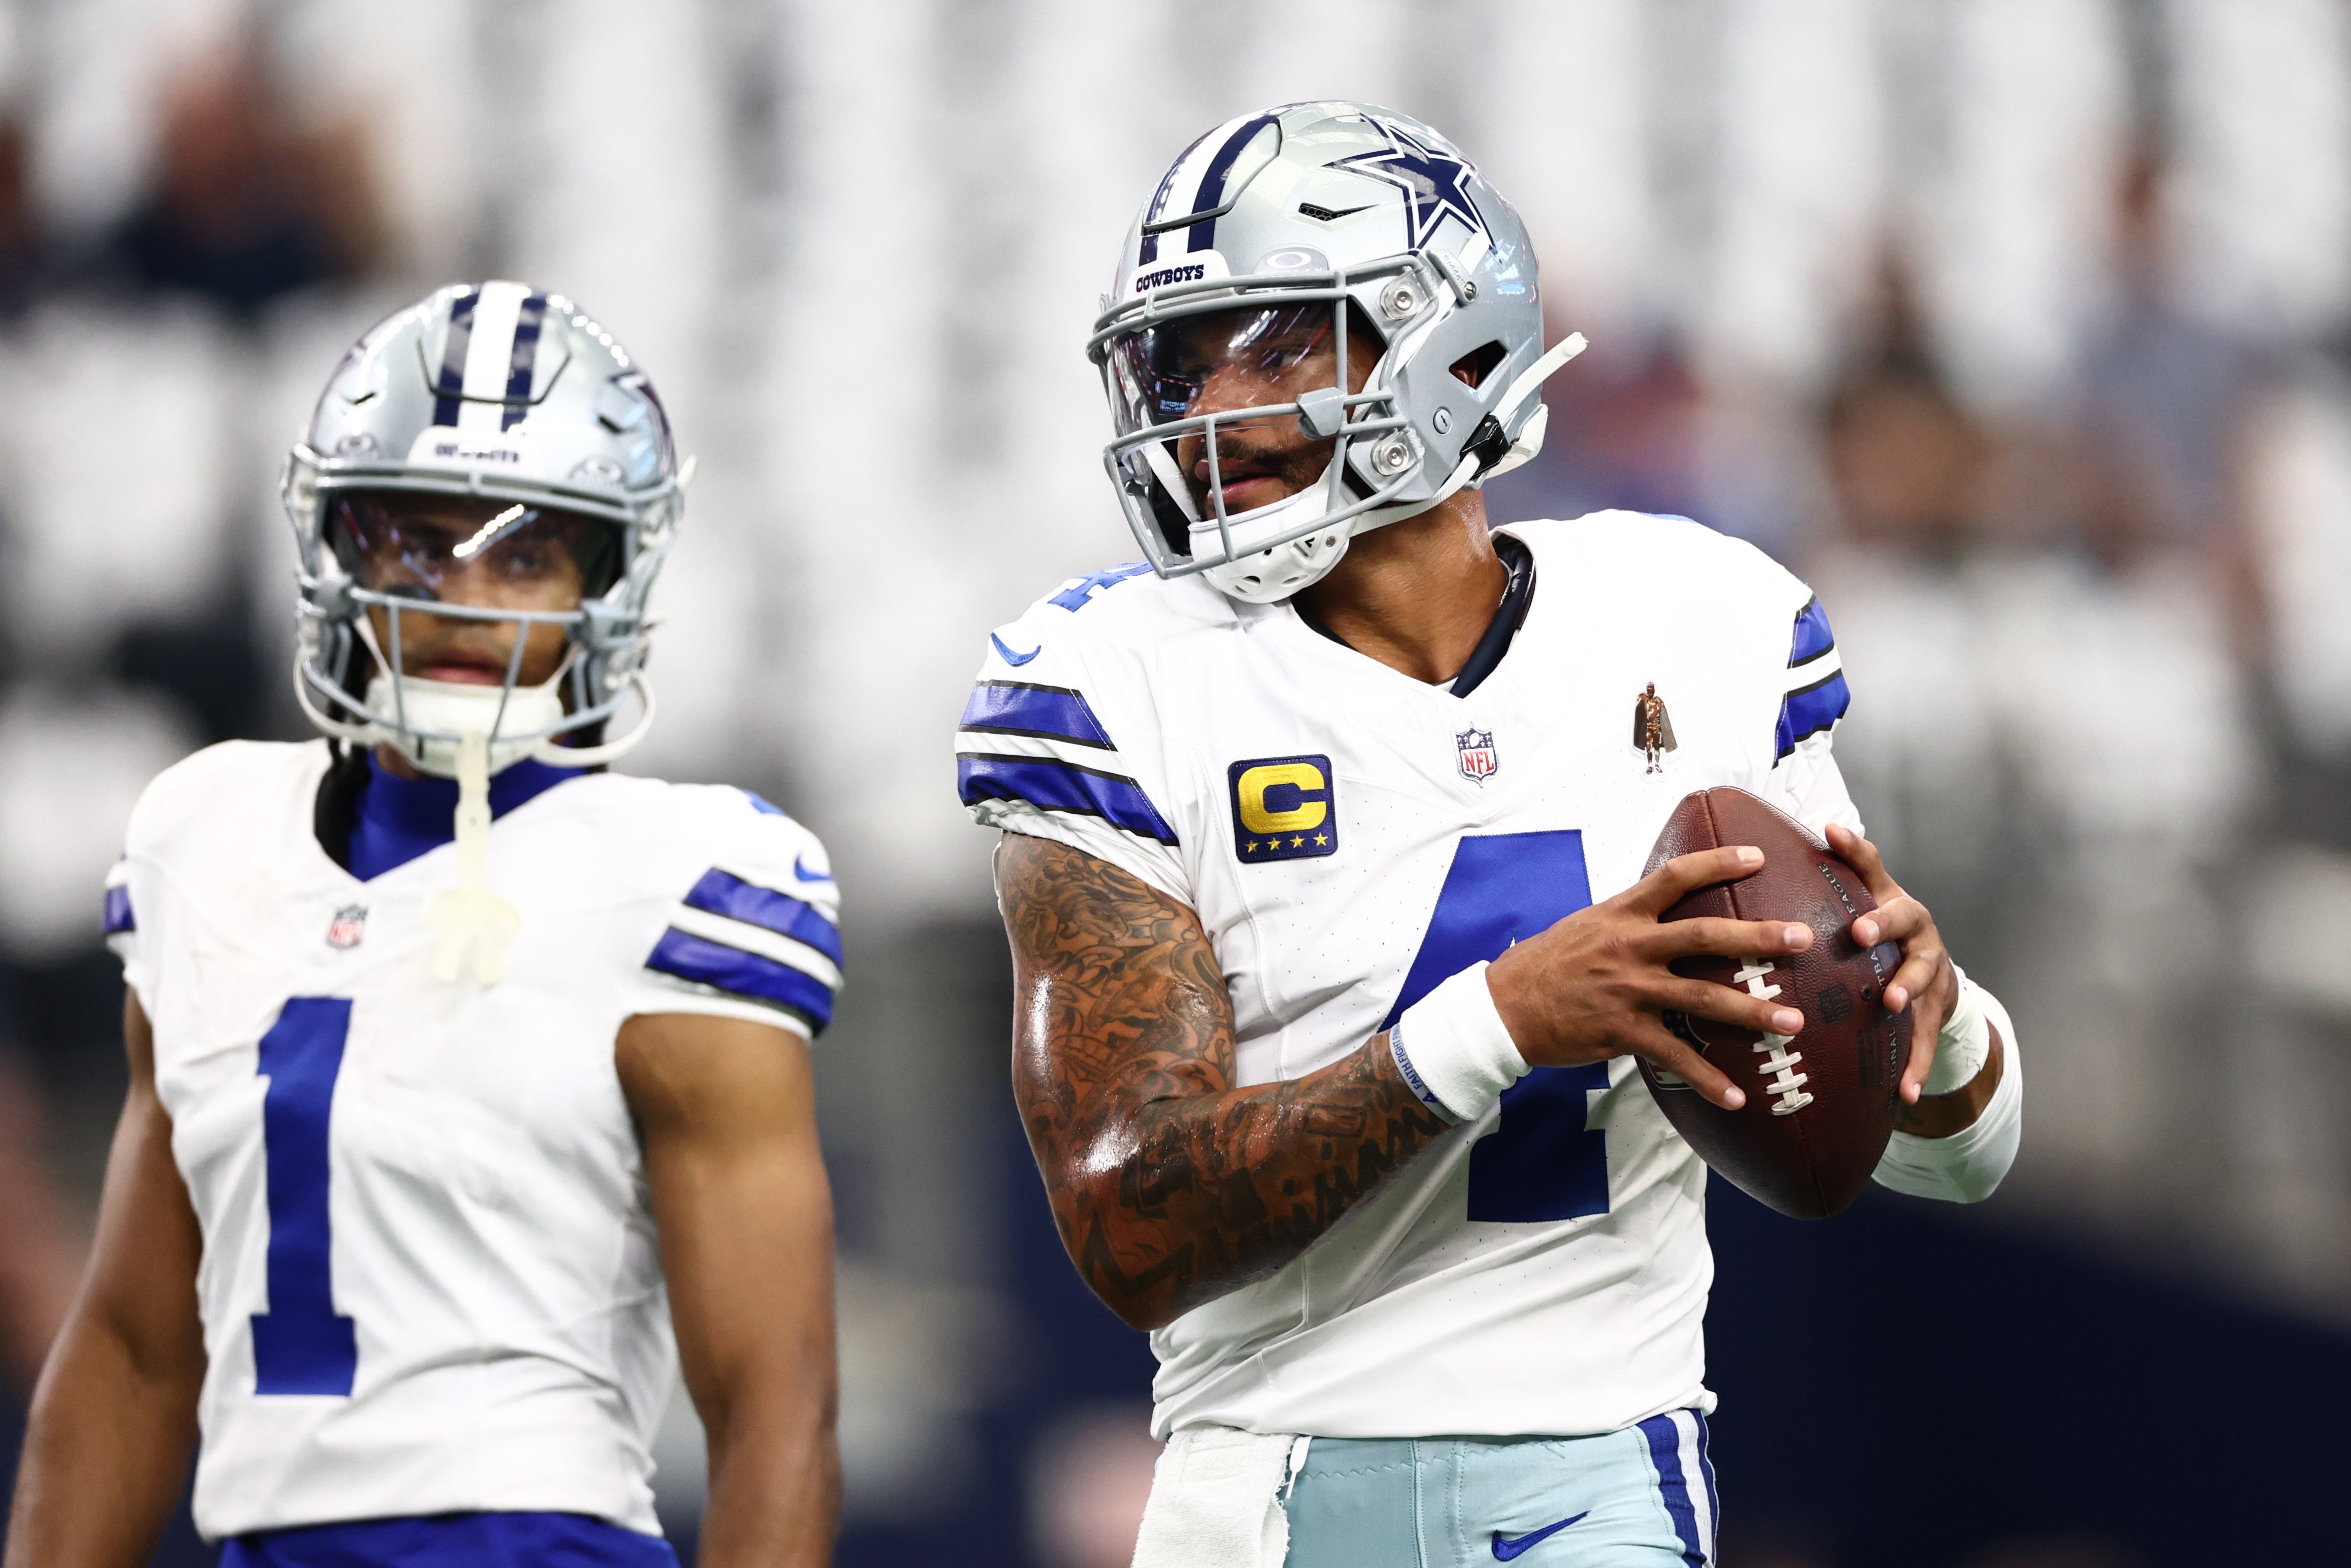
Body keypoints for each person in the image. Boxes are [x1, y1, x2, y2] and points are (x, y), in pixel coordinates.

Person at [955, 104, 2022, 1566]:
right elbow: (1130, 1225)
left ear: (1447, 346)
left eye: (1273, 346)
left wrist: (1934, 1019)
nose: (1209, 404)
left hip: (1603, 1478)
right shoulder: (1110, 680)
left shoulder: (1699, 621)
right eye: (1187, 361)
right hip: (1265, 1484)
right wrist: (1508, 1018)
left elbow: (1948, 1161)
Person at [6, 283, 842, 1568]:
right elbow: (130, 1349)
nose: (458, 594)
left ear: (605, 586)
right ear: (337, 556)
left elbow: (773, 1409)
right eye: (412, 541)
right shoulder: (202, 835)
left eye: (522, 552)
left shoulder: (683, 877)